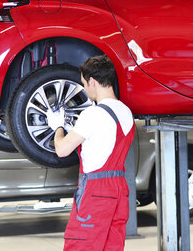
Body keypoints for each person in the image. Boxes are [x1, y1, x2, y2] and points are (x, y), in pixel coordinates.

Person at [46, 55, 135, 251]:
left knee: (81, 245)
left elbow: (62, 149)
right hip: (119, 190)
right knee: (111, 247)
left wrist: (58, 126)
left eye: (84, 84)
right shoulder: (125, 112)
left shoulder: (93, 114)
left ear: (93, 82)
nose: (85, 89)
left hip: (97, 191)